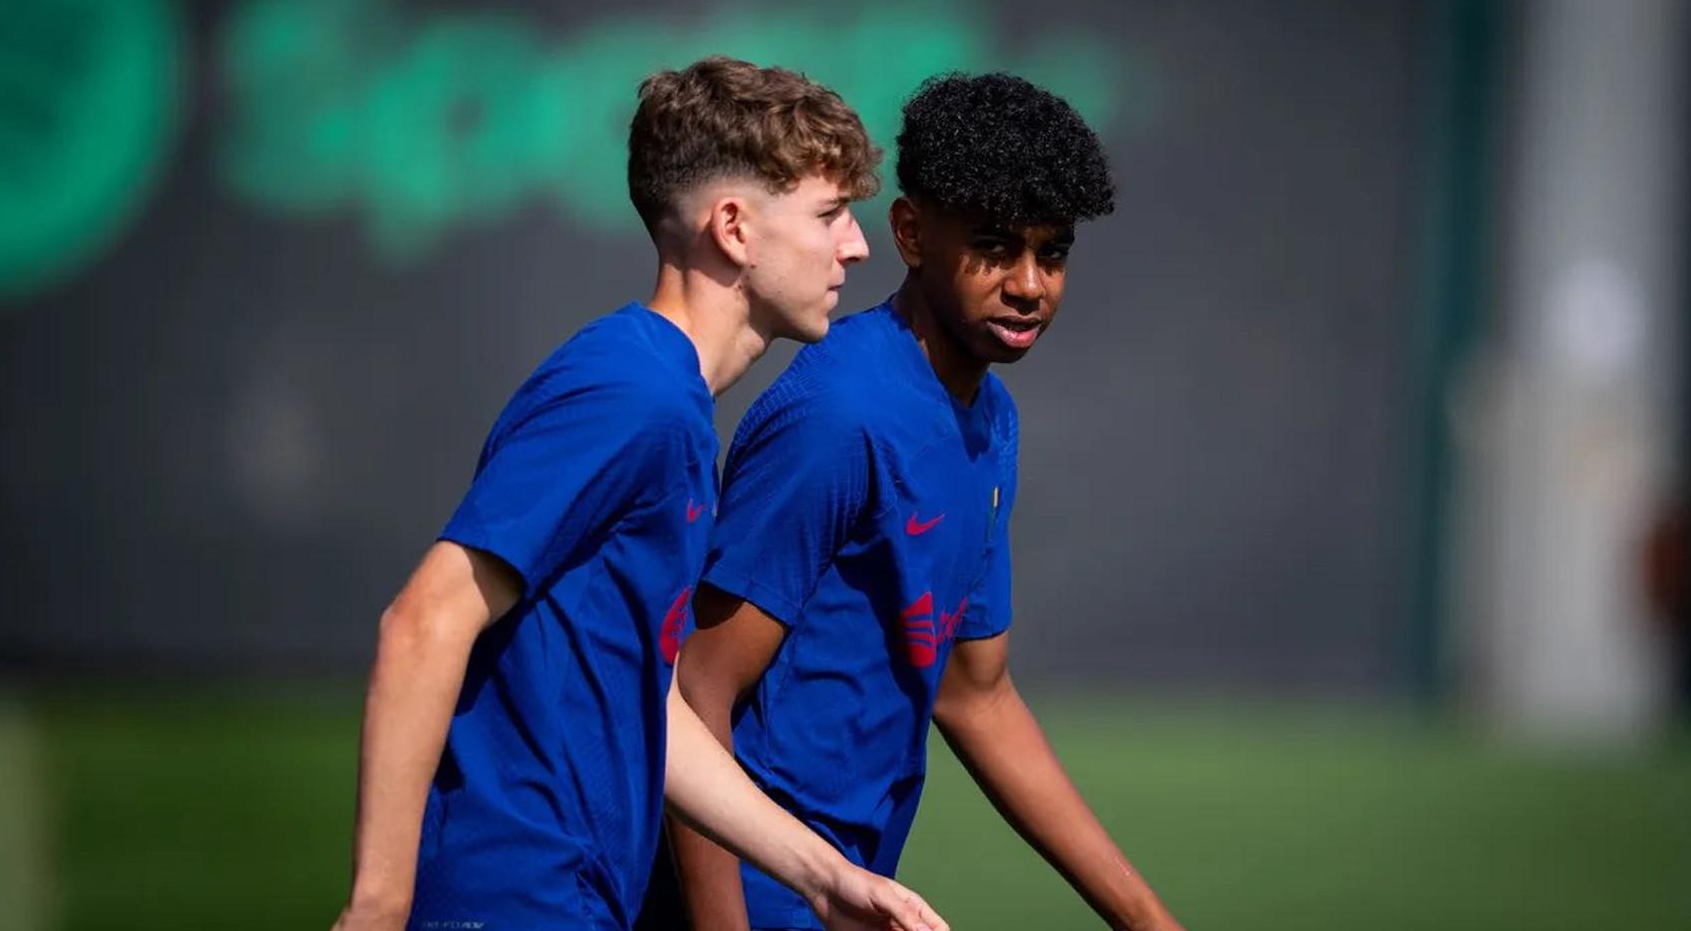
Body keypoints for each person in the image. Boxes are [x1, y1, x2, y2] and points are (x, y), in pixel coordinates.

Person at [330, 56, 947, 931]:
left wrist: (821, 876)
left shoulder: (673, 405)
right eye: (830, 214)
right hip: (515, 902)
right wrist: (377, 907)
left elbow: (648, 702)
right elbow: (426, 620)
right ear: (734, 227)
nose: (856, 244)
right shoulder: (634, 394)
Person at [667, 72, 1184, 931]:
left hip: (856, 891)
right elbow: (695, 692)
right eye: (995, 247)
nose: (1029, 284)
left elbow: (974, 694)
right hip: (760, 892)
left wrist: (1144, 916)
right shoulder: (839, 414)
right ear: (910, 233)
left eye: (1051, 253)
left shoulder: (990, 419)